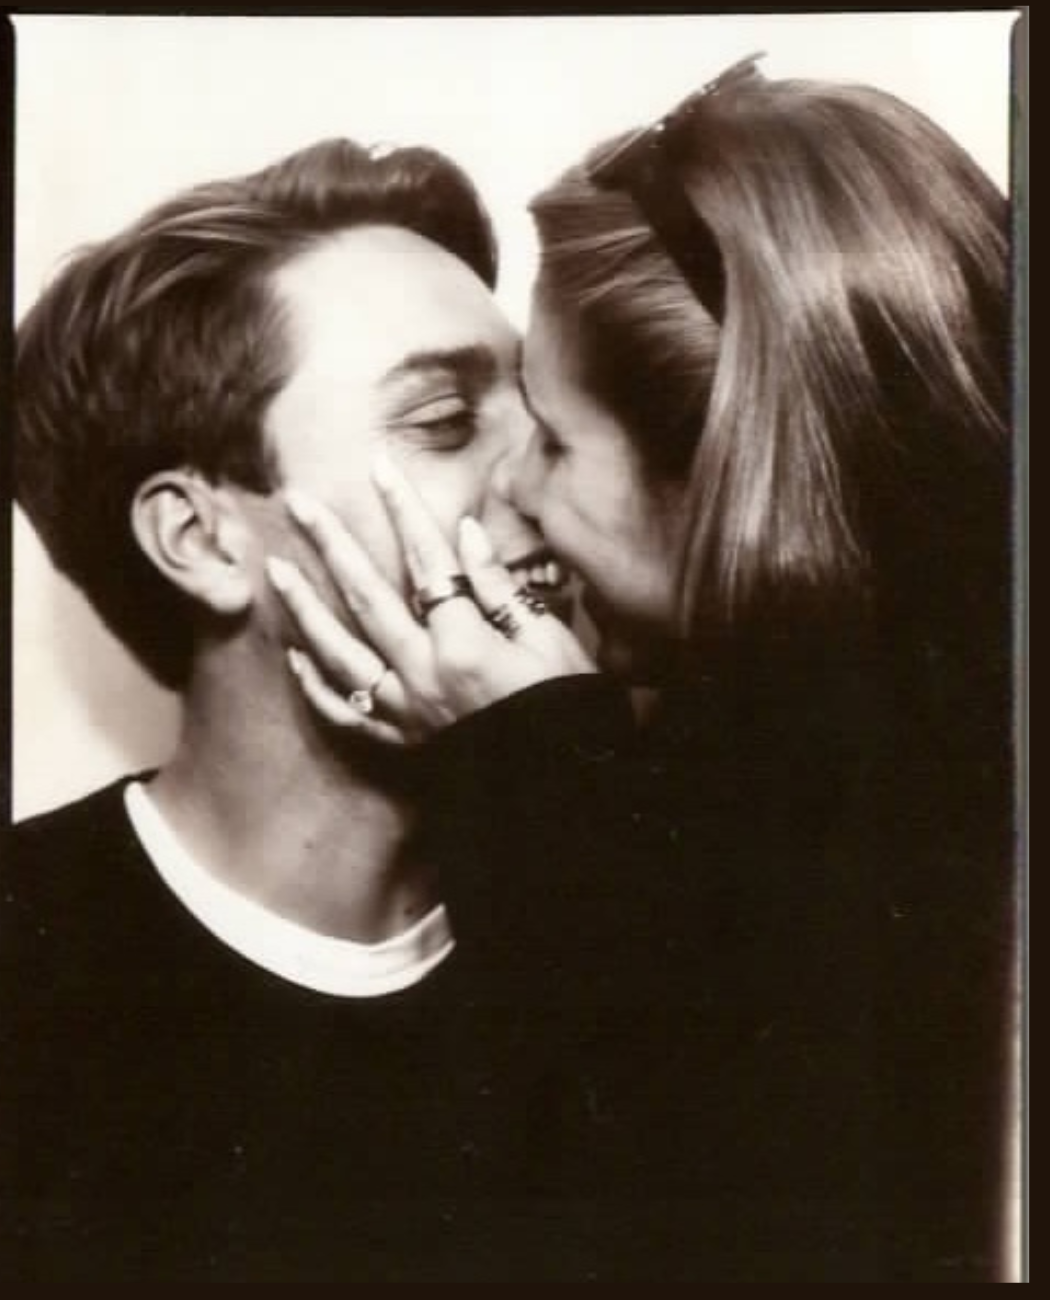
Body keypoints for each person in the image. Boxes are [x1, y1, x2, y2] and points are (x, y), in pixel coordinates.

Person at [270, 58, 1017, 1281]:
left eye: (553, 440)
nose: (510, 490)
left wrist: (532, 755)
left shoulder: (887, 850)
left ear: (724, 471)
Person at [0, 136, 582, 1280]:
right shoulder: (20, 973)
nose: (545, 471)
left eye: (538, 405)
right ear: (203, 539)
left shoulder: (616, 909)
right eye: (446, 420)